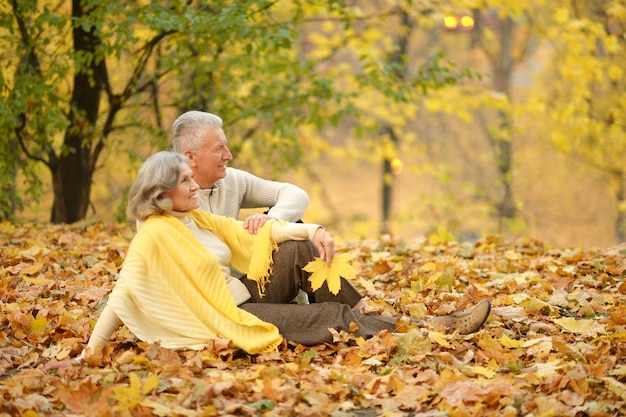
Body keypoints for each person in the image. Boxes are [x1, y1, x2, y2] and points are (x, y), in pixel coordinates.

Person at [47, 151, 491, 368]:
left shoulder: (198, 217)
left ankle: (369, 317)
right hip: (222, 319)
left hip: (240, 295)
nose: (194, 184)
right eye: (184, 181)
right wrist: (90, 353)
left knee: (299, 249)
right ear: (161, 195)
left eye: (190, 176)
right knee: (326, 317)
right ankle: (435, 329)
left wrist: (310, 229)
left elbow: (253, 234)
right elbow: (122, 293)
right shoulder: (154, 236)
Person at [171, 110, 309, 234]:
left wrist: (273, 219)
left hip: (242, 260)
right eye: (218, 148)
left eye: (225, 145)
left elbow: (296, 194)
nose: (228, 155)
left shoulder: (232, 179)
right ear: (190, 157)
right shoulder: (170, 196)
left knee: (293, 226)